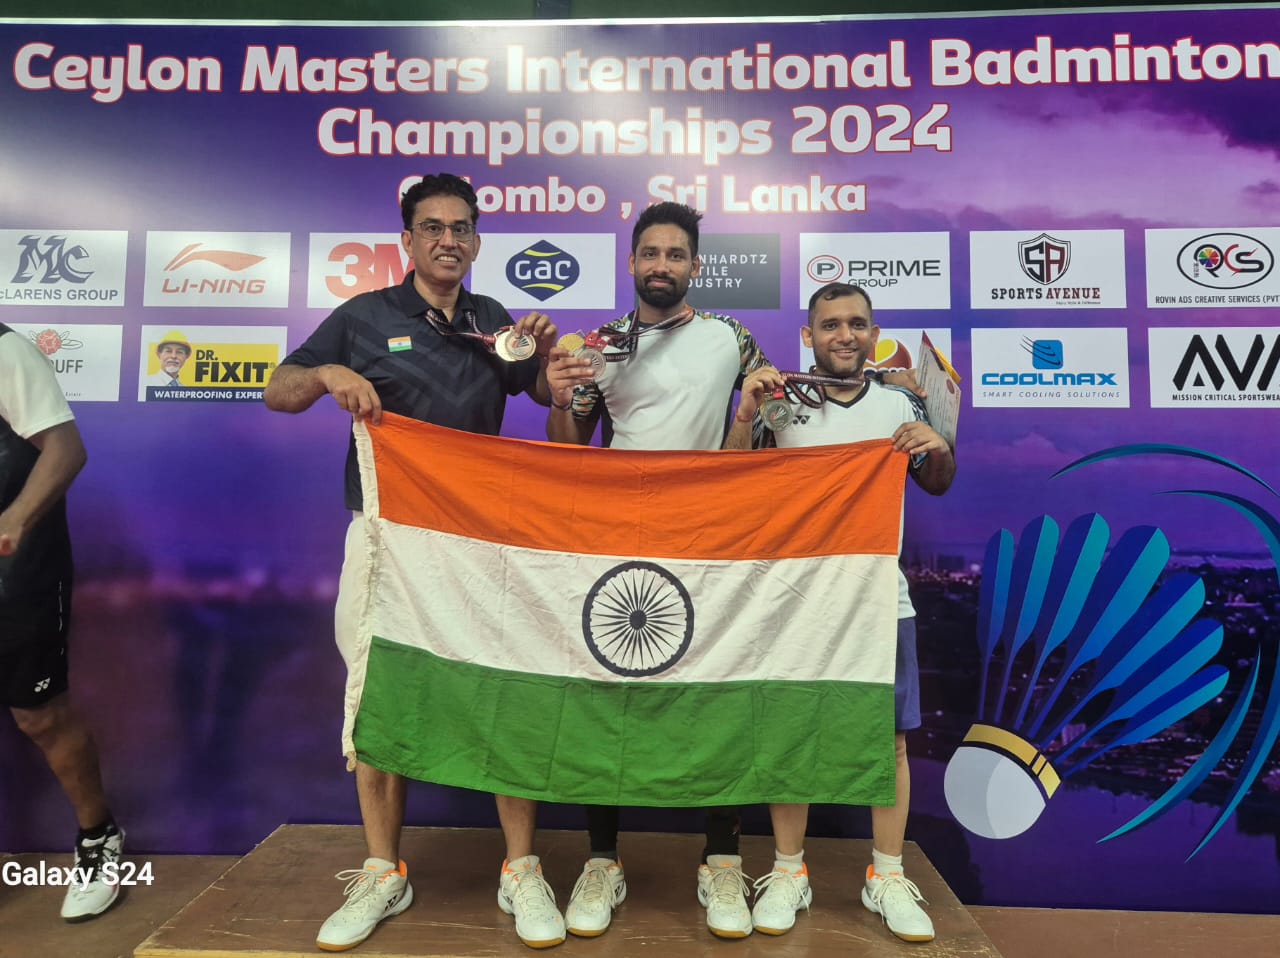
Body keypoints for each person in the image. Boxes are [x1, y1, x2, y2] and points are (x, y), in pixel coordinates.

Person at [263, 173, 566, 952]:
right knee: (382, 696)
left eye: (461, 228)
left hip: (479, 542)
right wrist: (329, 373)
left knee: (505, 689)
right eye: (431, 227)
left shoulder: (495, 320)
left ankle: (521, 868)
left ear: (475, 239)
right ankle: (381, 870)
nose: (447, 241)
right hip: (386, 538)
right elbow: (278, 389)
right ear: (407, 239)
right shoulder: (364, 317)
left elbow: (550, 401)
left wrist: (558, 371)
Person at [545, 201, 772, 940]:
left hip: (710, 537)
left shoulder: (732, 338)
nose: (662, 265)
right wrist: (558, 395)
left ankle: (723, 862)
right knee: (609, 694)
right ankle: (603, 861)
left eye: (676, 254)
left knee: (716, 691)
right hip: (621, 536)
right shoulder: (598, 344)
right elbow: (569, 442)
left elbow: (769, 423)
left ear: (696, 266)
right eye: (650, 253)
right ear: (633, 262)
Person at [724, 282, 955, 940]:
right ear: (809, 336)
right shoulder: (780, 404)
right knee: (790, 731)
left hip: (881, 596)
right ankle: (790, 870)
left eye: (857, 324)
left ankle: (886, 875)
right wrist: (745, 412)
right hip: (796, 595)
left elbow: (939, 481)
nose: (845, 335)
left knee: (891, 739)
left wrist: (933, 441)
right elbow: (731, 478)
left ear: (872, 333)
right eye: (830, 325)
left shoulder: (899, 403)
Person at [0, 322, 126, 922]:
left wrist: (15, 520)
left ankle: (99, 840)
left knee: (38, 714)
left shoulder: (5, 349)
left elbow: (65, 448)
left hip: (15, 573)